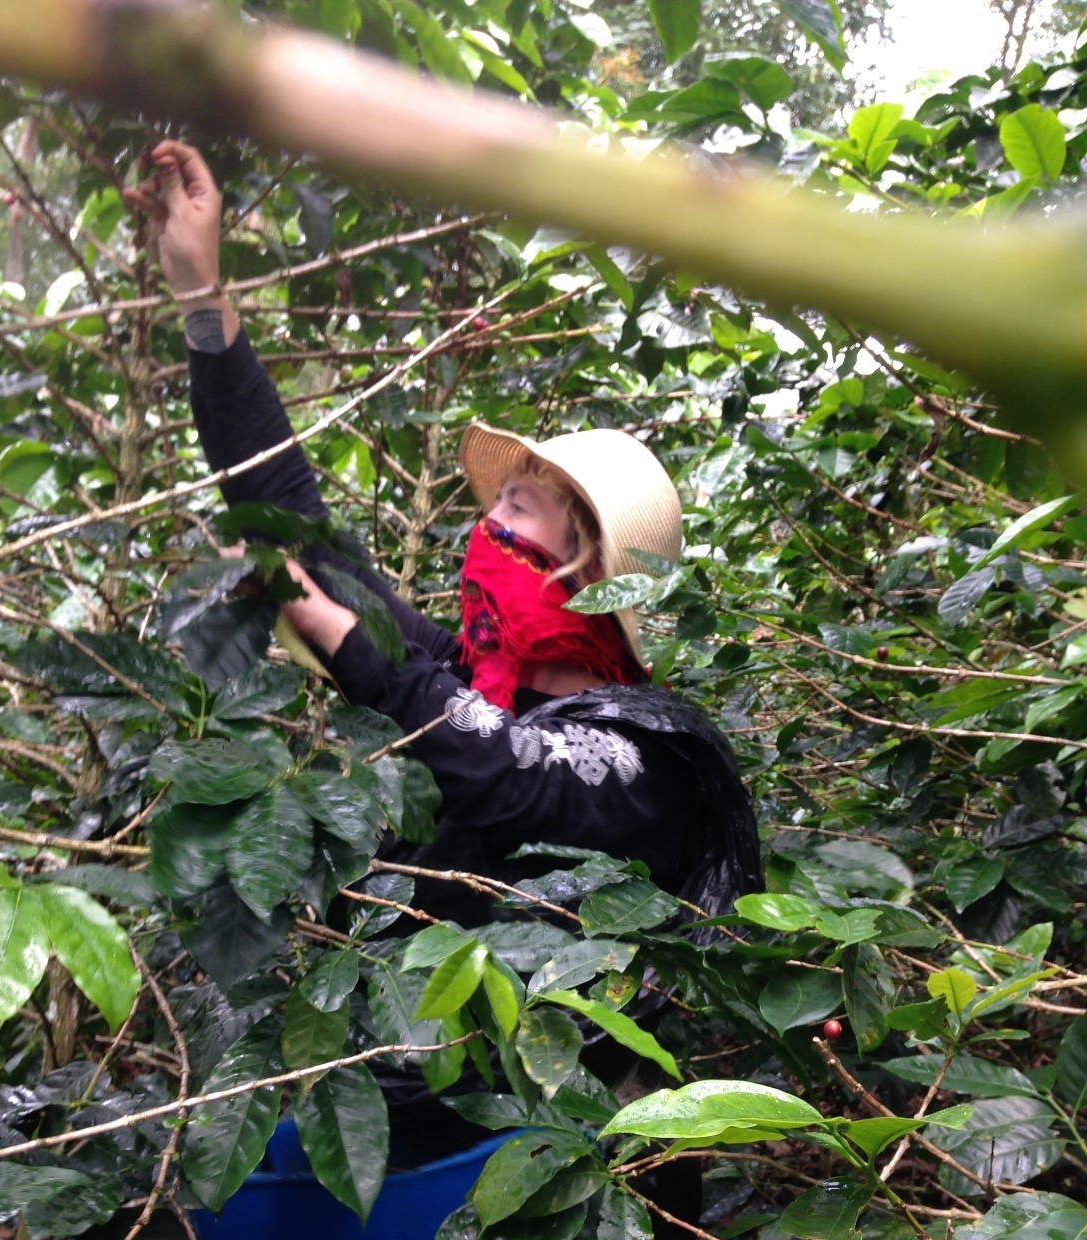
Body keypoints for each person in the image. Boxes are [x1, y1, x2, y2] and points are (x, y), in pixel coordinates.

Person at [127, 140, 762, 940]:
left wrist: (321, 620)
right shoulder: (473, 679)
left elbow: (498, 771)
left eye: (520, 510)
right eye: (494, 507)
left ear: (593, 572)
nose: (488, 532)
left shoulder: (651, 758)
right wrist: (199, 291)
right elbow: (300, 525)